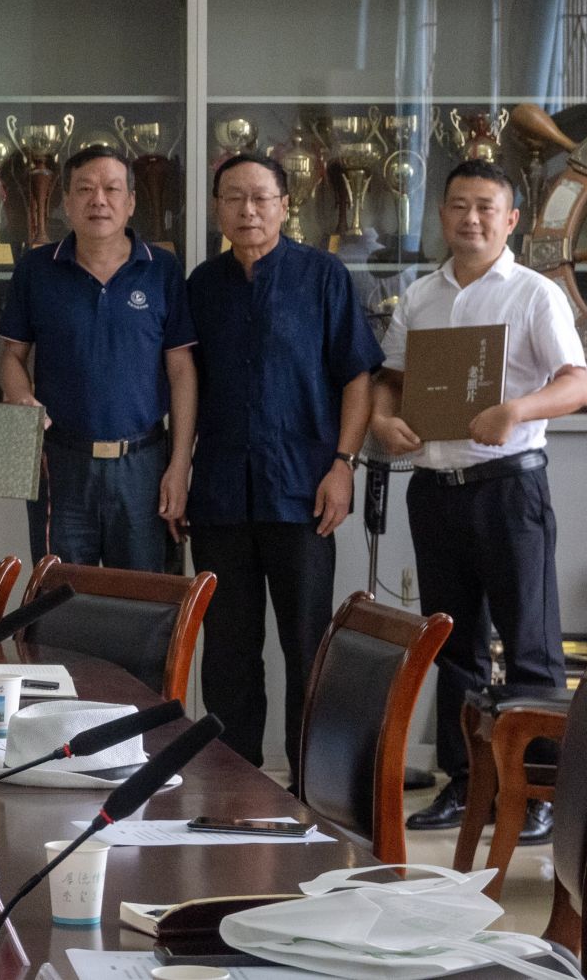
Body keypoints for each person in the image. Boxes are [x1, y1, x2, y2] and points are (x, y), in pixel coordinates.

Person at [374, 160, 587, 839]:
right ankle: (465, 784)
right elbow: (391, 379)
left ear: (511, 219)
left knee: (530, 644)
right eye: (459, 205)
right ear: (442, 214)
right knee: (453, 646)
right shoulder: (419, 295)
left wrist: (516, 409)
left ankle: (537, 795)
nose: (471, 218)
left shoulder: (534, 294)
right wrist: (382, 419)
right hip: (436, 492)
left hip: (509, 488)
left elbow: (578, 384)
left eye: (485, 207)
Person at [184, 152, 381, 777]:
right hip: (219, 496)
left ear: (284, 206)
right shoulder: (201, 285)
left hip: (302, 492)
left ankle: (309, 786)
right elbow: (185, 382)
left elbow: (357, 376)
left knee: (307, 645)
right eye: (234, 198)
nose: (248, 210)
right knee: (228, 652)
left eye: (261, 198)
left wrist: (344, 464)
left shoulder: (322, 276)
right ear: (217, 208)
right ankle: (235, 784)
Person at [0, 145, 195, 572]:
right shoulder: (36, 268)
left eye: (112, 189)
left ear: (131, 202)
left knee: (143, 598)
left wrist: (180, 465)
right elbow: (11, 355)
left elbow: (181, 371)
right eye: (85, 189)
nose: (98, 200)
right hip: (60, 462)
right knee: (61, 595)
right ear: (66, 202)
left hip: (143, 464)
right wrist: (20, 395)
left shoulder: (162, 269)